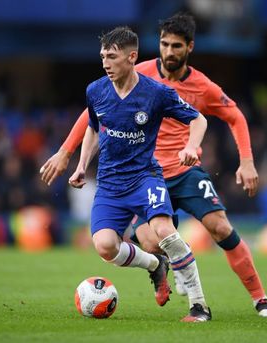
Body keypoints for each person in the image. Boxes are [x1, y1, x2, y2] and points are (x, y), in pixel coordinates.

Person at [41, 13, 267, 317]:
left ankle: (259, 299)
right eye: (164, 44)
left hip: (181, 171)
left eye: (176, 46)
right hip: (140, 174)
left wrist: (246, 161)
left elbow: (233, 116)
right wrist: (67, 153)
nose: (168, 51)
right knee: (151, 243)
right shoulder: (131, 73)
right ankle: (164, 268)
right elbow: (93, 117)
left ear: (189, 47)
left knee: (219, 226)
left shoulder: (200, 87)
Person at [57, 26, 212, 322]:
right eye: (103, 56)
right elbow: (93, 126)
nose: (105, 63)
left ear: (131, 57)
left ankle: (199, 306)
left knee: (164, 232)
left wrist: (192, 146)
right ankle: (155, 266)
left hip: (145, 178)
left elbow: (199, 119)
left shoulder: (156, 94)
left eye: (112, 56)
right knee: (105, 247)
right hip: (110, 185)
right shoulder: (96, 90)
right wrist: (80, 165)